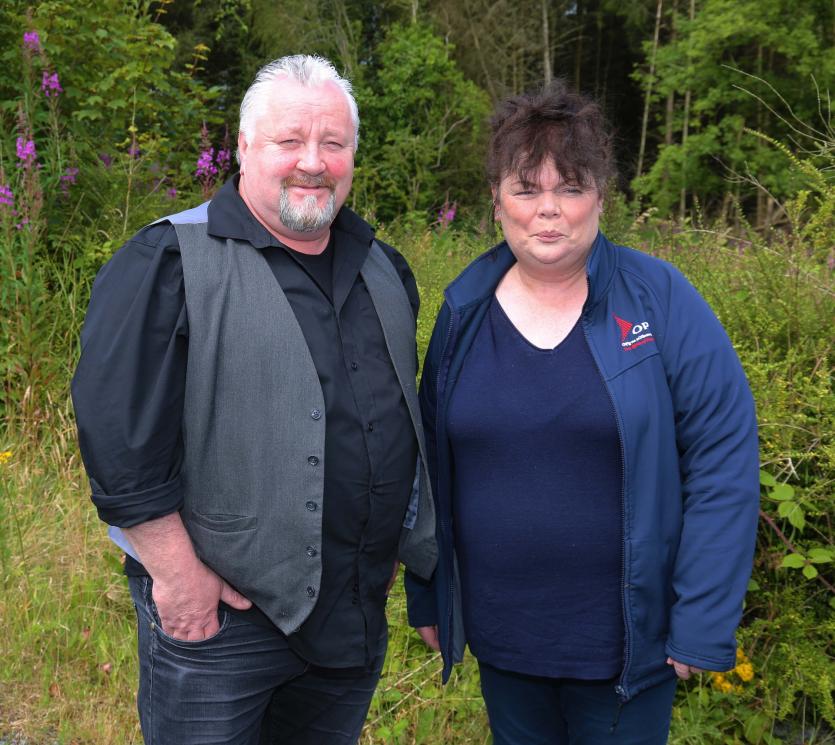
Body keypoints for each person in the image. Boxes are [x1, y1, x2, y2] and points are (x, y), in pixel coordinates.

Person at [72, 54, 437, 745]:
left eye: (332, 143)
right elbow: (118, 442)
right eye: (288, 141)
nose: (313, 161)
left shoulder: (385, 269)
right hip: (220, 624)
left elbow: (396, 422)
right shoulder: (169, 260)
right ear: (243, 147)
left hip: (349, 616)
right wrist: (179, 581)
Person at [405, 81, 759, 744]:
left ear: (600, 195)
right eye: (526, 188)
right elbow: (430, 467)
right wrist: (429, 593)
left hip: (626, 652)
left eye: (569, 187)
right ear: (494, 200)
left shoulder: (661, 300)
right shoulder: (461, 310)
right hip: (505, 645)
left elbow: (722, 461)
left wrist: (703, 618)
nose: (548, 211)